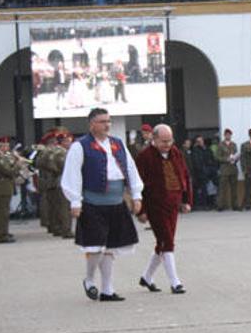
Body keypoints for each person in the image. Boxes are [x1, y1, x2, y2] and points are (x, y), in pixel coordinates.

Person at [61, 108, 143, 302]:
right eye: (102, 121)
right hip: (92, 203)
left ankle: (107, 289)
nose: (107, 125)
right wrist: (75, 200)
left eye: (108, 121)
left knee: (110, 248)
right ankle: (89, 280)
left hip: (116, 202)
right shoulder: (80, 146)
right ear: (92, 124)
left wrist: (137, 194)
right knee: (95, 245)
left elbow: (131, 169)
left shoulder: (118, 144)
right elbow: (72, 175)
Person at [136, 124, 192, 295]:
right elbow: (137, 184)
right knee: (167, 242)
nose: (168, 144)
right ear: (154, 139)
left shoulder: (176, 153)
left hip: (173, 204)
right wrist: (141, 210)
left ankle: (146, 277)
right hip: (155, 205)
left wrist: (186, 200)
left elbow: (185, 176)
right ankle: (175, 282)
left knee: (163, 243)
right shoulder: (144, 156)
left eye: (170, 140)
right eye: (163, 141)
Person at [215, 129, 239, 211]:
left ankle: (235, 205)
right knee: (222, 189)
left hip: (233, 169)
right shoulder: (220, 145)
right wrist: (226, 159)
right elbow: (217, 157)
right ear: (224, 135)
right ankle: (220, 205)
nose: (228, 136)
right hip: (224, 169)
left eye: (229, 135)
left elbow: (236, 154)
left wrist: (235, 159)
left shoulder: (234, 144)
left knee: (234, 188)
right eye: (227, 135)